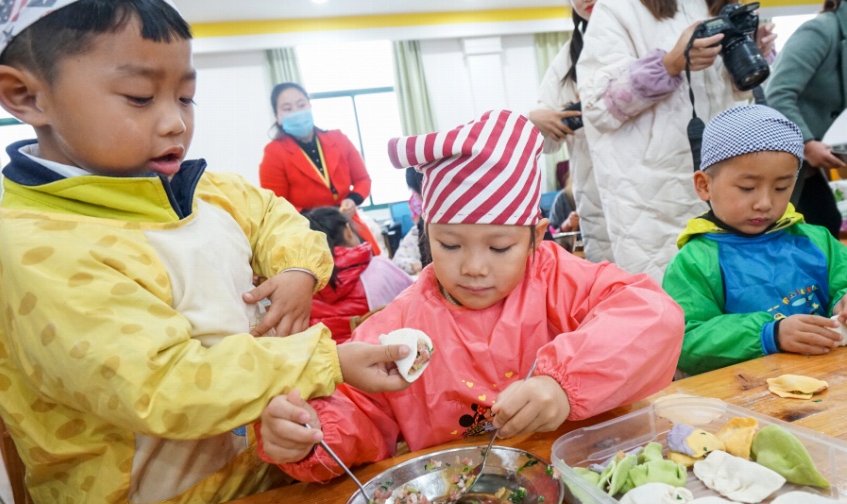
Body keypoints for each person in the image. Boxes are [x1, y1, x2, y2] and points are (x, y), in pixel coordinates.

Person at [0, 0, 413, 504]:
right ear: (27, 96)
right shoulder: (37, 246)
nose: (176, 121)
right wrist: (325, 361)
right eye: (139, 97)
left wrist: (297, 269)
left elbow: (275, 216)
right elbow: (163, 383)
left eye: (185, 97)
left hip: (266, 484)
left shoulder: (201, 189)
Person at [255, 110, 685, 481]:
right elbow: (359, 410)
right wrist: (309, 433)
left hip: (581, 474)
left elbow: (654, 317)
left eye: (499, 247)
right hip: (460, 498)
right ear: (426, 234)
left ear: (536, 238)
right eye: (450, 244)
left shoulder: (556, 278)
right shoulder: (399, 326)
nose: (474, 267)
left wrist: (563, 385)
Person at [576, 0, 777, 281]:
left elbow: (734, 98)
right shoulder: (617, 8)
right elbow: (598, 107)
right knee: (666, 294)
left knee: (736, 291)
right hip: (653, 198)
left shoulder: (720, 5)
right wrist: (669, 64)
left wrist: (751, 53)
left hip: (727, 181)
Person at [662, 105, 847, 376]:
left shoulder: (817, 240)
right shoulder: (695, 262)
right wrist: (770, 334)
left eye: (781, 188)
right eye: (747, 188)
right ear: (704, 185)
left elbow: (843, 284)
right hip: (744, 391)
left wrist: (843, 302)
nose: (765, 203)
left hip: (829, 378)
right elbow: (686, 341)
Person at [529, 0, 612, 263]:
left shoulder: (648, 32)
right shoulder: (567, 59)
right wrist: (536, 118)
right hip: (596, 196)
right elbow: (544, 139)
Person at [259, 82, 381, 255]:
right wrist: (316, 218)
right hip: (308, 233)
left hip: (348, 224)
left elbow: (363, 180)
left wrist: (352, 200)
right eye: (287, 108)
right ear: (277, 117)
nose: (296, 112)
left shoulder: (338, 139)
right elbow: (276, 205)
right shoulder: (274, 153)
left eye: (301, 105)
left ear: (310, 106)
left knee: (373, 265)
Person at [766, 0, 847, 238]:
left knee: (824, 223)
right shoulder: (820, 31)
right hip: (781, 151)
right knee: (808, 228)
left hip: (808, 159)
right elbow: (777, 94)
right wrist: (807, 144)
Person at [303, 207, 413, 343]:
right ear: (348, 232)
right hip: (383, 351)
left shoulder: (301, 284)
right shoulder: (380, 268)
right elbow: (416, 303)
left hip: (326, 354)